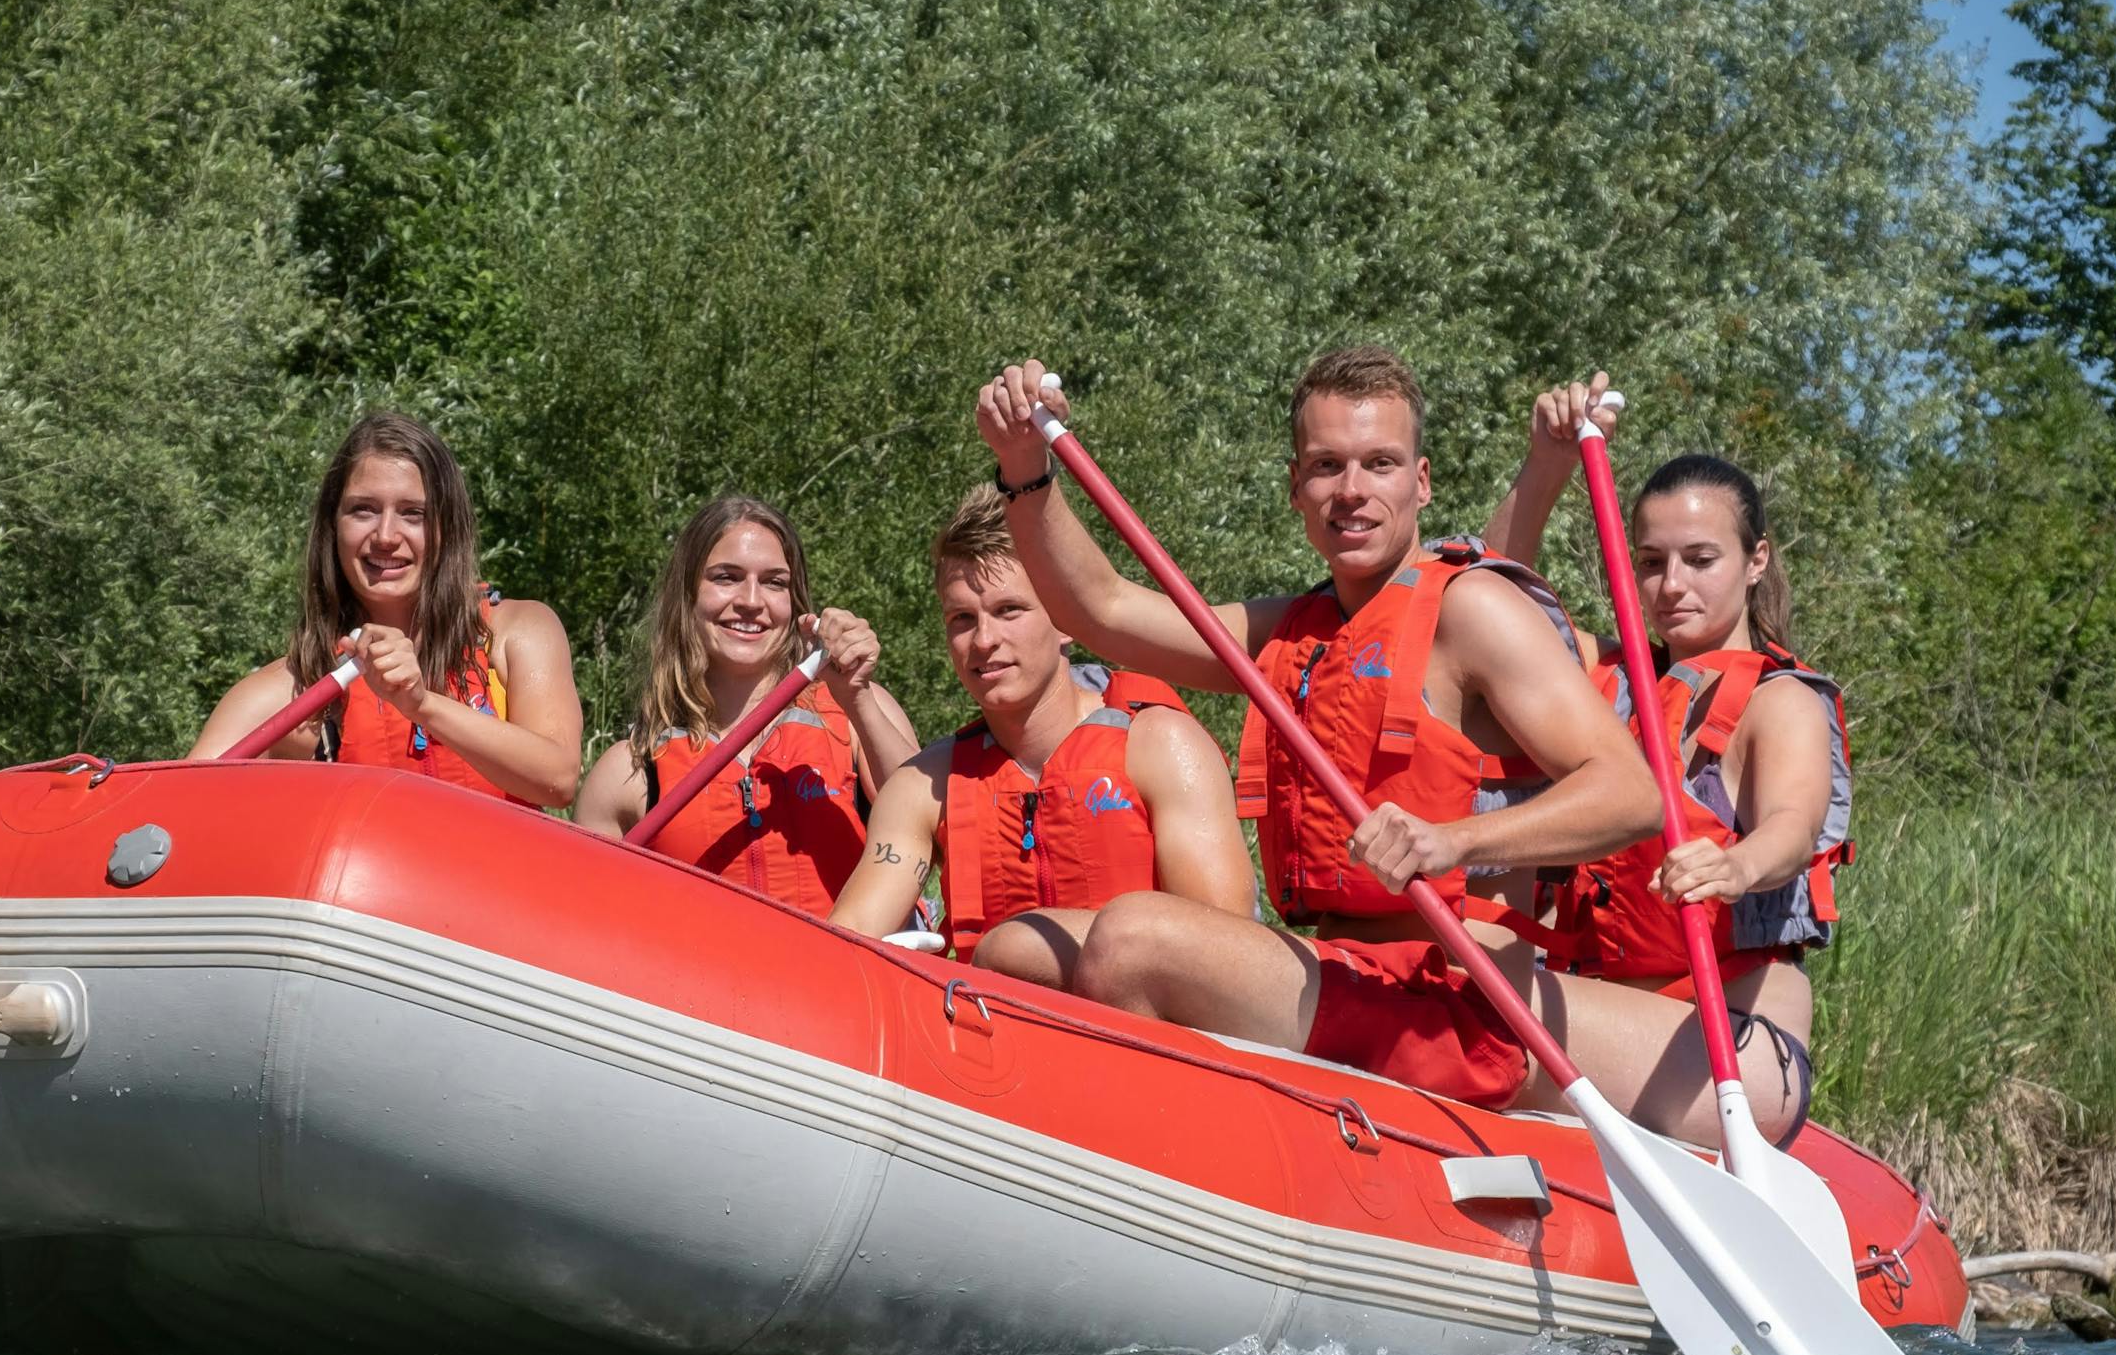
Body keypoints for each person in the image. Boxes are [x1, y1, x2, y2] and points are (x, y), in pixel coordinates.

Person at [976, 348, 1771, 1139]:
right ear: (1296, 487)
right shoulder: (1290, 631)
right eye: (1327, 466)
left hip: (1454, 1005)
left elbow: (1631, 793)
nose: (1351, 492)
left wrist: (1454, 840)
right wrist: (1024, 465)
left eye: (1378, 464)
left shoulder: (1474, 610)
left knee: (1133, 939)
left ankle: (1176, 1161)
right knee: (1021, 949)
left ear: (1419, 482)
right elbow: (1101, 610)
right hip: (1342, 975)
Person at [1480, 375, 1848, 1127]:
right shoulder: (1607, 683)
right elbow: (1488, 601)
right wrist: (1547, 462)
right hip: (1604, 1018)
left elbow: (1792, 822)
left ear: (1755, 561)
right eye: (1650, 562)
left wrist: (1735, 866)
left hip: (1730, 1044)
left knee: (1463, 1023)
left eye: (1700, 559)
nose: (1671, 585)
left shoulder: (1779, 702)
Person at [831, 484, 1249, 985]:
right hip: (987, 1044)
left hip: (1144, 1040)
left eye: (1010, 610)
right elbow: (846, 940)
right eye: (962, 619)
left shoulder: (1161, 746)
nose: (984, 641)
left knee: (1012, 947)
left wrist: (1027, 948)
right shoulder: (923, 786)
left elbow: (1228, 958)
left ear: (1067, 620)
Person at [189, 411, 583, 807]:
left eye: (414, 513)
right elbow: (176, 809)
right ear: (333, 526)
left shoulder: (518, 632)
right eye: (363, 510)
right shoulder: (285, 691)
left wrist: (421, 705)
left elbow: (559, 779)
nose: (385, 536)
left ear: (448, 528)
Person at [572, 495, 920, 908]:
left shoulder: (856, 714)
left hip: (851, 970)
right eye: (726, 577)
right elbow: (587, 923)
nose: (751, 601)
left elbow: (937, 833)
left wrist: (857, 698)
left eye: (774, 582)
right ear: (687, 596)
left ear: (794, 602)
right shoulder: (629, 771)